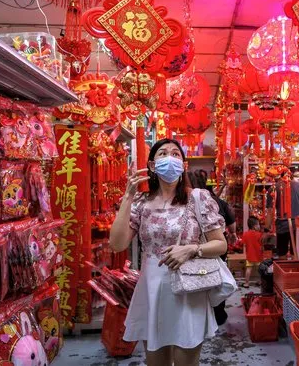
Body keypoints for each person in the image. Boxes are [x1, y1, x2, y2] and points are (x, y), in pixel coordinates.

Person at [109, 138, 227, 366]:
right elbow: (117, 244)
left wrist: (192, 250)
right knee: (156, 361)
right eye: (163, 154)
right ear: (152, 165)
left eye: (175, 154)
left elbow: (220, 244)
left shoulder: (198, 198)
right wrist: (128, 196)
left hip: (189, 288)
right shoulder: (141, 202)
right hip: (152, 289)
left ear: (183, 165)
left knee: (186, 361)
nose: (169, 158)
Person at [194, 169, 235, 325]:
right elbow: (232, 226)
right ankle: (218, 313)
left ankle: (203, 313)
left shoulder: (186, 200)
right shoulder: (218, 201)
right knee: (215, 276)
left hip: (196, 249)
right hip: (216, 247)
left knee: (199, 277)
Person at [267, 170, 299, 259]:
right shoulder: (298, 185)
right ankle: (296, 271)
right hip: (297, 225)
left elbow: (270, 211)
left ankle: (285, 271)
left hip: (281, 225)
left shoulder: (273, 188)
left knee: (282, 254)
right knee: (295, 252)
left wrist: (266, 230)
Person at [241, 217, 264, 288]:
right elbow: (262, 245)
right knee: (260, 270)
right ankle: (261, 281)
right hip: (259, 256)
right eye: (258, 225)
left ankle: (246, 283)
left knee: (248, 269)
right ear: (254, 226)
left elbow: (244, 244)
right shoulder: (260, 235)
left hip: (250, 255)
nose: (259, 226)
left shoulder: (245, 234)